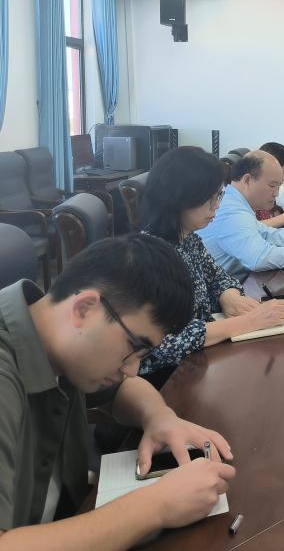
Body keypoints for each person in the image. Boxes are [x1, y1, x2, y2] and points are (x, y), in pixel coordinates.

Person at [0, 234, 236, 547]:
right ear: (84, 309)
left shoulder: (59, 339)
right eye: (134, 347)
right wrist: (156, 506)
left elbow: (125, 388)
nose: (132, 369)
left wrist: (159, 417)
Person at [137, 147, 284, 383]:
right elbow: (163, 344)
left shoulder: (188, 238)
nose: (216, 206)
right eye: (210, 198)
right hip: (168, 378)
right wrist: (248, 322)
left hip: (201, 360)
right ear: (180, 197)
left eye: (219, 196)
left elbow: (219, 276)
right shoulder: (150, 256)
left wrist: (228, 296)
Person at [198, 151, 284, 277]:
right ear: (247, 180)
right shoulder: (232, 211)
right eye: (272, 185)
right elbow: (260, 258)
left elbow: (265, 233)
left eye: (279, 186)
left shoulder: (236, 202)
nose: (276, 193)